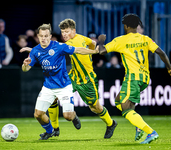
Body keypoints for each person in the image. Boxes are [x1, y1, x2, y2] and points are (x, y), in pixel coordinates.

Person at [21, 19, 117, 139]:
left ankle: (111, 123)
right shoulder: (81, 38)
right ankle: (55, 129)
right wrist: (92, 51)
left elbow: (61, 48)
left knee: (95, 107)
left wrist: (92, 52)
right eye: (62, 32)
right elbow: (91, 41)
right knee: (54, 97)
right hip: (73, 75)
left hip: (87, 78)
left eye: (66, 32)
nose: (64, 34)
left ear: (73, 31)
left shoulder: (72, 42)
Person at [98, 13, 171, 144]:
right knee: (118, 100)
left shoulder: (120, 40)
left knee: (126, 110)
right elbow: (161, 53)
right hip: (145, 78)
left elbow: (101, 51)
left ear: (125, 26)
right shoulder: (145, 39)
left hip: (132, 78)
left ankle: (150, 132)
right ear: (137, 25)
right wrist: (169, 68)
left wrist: (101, 40)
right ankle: (138, 127)